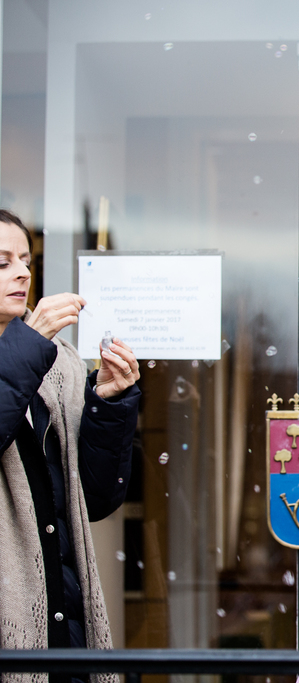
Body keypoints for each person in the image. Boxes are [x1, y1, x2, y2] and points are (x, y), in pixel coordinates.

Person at [0, 209, 140, 682]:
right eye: (2, 263)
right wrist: (27, 348)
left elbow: (95, 499)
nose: (21, 272)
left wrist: (109, 402)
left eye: (25, 259)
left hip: (64, 626)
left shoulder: (59, 366)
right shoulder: (36, 355)